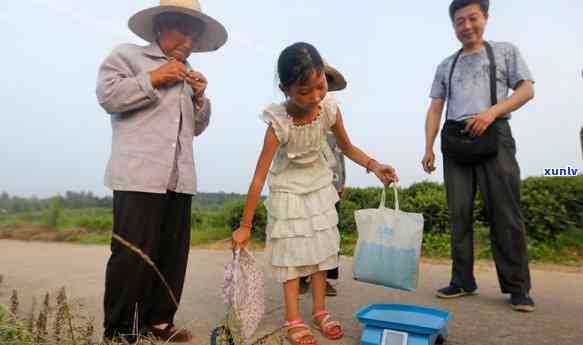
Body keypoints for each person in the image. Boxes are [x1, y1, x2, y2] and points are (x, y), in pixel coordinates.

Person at [232, 42, 398, 345]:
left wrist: (374, 166)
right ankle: (293, 317)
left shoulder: (330, 109)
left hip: (319, 183)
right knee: (293, 255)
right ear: (285, 89)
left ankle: (320, 311)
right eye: (303, 91)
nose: (314, 97)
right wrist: (245, 226)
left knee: (321, 253)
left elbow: (346, 147)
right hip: (287, 189)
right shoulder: (277, 122)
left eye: (319, 86)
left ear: (325, 76)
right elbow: (258, 177)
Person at [95, 0, 227, 341]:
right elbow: (108, 96)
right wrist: (154, 77)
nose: (189, 41)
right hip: (139, 175)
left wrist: (200, 98)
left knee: (172, 254)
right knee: (132, 253)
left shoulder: (187, 76)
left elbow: (196, 128)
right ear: (159, 26)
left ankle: (159, 322)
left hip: (178, 178)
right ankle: (120, 330)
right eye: (182, 30)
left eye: (195, 35)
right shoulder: (128, 56)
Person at [421, 0, 536, 312]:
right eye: (460, 21)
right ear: (453, 25)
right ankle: (462, 280)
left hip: (494, 134)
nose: (467, 26)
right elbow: (435, 108)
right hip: (456, 140)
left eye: (473, 18)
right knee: (458, 213)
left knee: (505, 212)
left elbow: (526, 90)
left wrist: (491, 113)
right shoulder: (446, 65)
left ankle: (517, 287)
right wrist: (429, 146)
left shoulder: (504, 51)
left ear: (485, 17)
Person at [299, 63, 347, 297]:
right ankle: (301, 276)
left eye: (324, 82)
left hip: (331, 180)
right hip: (306, 181)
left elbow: (342, 150)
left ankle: (325, 278)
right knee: (303, 228)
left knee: (329, 231)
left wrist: (342, 182)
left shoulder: (333, 111)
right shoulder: (299, 110)